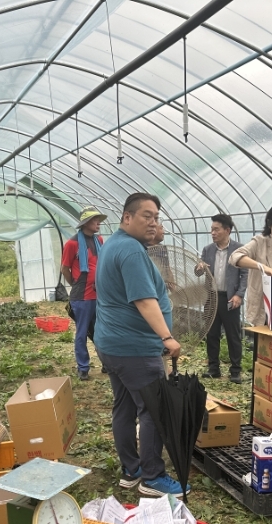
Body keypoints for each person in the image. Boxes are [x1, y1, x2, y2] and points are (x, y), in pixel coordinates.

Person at [95, 192, 188, 498]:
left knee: (124, 406)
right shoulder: (132, 252)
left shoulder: (113, 245)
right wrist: (167, 337)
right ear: (127, 217)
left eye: (156, 217)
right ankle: (152, 477)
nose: (153, 223)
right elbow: (144, 300)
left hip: (111, 343)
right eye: (146, 216)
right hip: (134, 347)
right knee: (152, 409)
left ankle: (131, 469)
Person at [196, 214, 248, 383]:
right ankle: (213, 368)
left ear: (227, 230)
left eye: (216, 229)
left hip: (230, 297)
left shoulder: (239, 250)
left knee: (233, 335)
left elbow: (245, 274)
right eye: (211, 230)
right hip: (212, 297)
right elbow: (198, 272)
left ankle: (235, 371)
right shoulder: (208, 249)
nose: (213, 233)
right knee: (212, 334)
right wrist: (199, 267)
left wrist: (239, 295)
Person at [60, 208, 105, 381]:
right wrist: (76, 284)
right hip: (82, 297)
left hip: (99, 294)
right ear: (86, 223)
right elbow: (65, 268)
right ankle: (83, 367)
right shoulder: (72, 244)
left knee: (101, 331)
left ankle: (106, 363)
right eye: (96, 220)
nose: (98, 223)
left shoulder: (99, 240)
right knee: (82, 332)